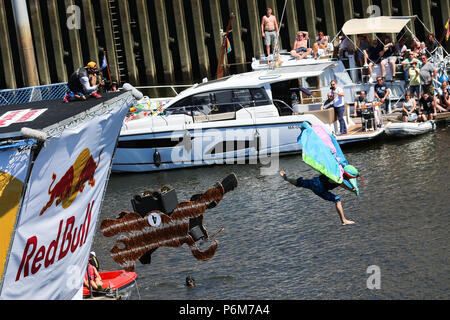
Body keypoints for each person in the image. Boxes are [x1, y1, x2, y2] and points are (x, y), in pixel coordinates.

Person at [279, 169, 358, 226]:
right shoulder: (339, 179)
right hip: (320, 188)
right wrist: (352, 190)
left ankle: (286, 178)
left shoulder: (336, 170)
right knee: (337, 200)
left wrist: (352, 189)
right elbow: (343, 186)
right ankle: (344, 220)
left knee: (300, 182)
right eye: (351, 178)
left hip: (315, 181)